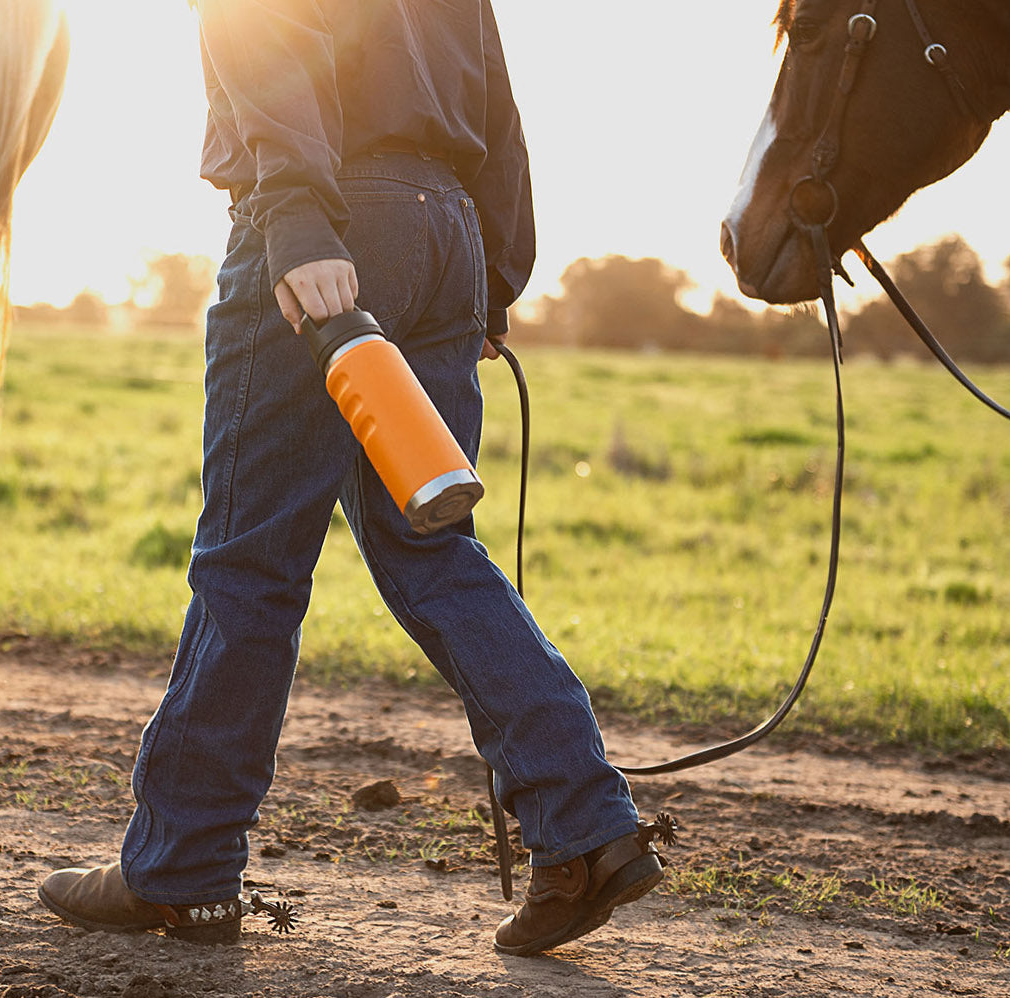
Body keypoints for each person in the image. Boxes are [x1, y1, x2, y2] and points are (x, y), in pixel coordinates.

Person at [38, 0, 665, 956]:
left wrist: (293, 212)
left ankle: (185, 868)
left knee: (251, 563)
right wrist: (490, 274)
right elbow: (496, 102)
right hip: (445, 229)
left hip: (328, 221)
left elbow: (260, 25)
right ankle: (586, 829)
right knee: (433, 547)